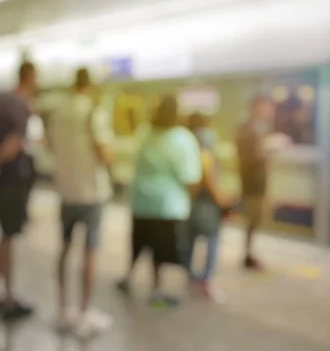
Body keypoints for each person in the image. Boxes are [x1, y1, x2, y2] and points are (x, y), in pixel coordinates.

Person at [117, 96, 202, 307]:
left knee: (138, 244)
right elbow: (190, 176)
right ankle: (157, 289)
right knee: (161, 251)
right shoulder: (183, 138)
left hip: (141, 202)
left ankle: (129, 278)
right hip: (168, 206)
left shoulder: (145, 133)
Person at [48, 68, 114, 337]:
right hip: (92, 193)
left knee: (64, 249)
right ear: (90, 85)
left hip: (66, 191)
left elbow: (52, 146)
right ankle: (86, 311)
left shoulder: (58, 113)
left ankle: (64, 308)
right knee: (90, 251)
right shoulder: (93, 112)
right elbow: (104, 152)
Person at [0, 61, 37, 320]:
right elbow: (14, 143)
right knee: (8, 237)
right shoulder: (19, 106)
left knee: (3, 235)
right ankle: (8, 296)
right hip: (13, 179)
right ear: (30, 77)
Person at [236, 96, 291, 270]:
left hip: (257, 181)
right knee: (252, 218)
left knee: (256, 219)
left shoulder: (258, 127)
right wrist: (270, 148)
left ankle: (250, 254)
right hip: (252, 182)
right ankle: (248, 255)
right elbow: (251, 156)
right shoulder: (248, 128)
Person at [186, 113, 231, 303]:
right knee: (212, 240)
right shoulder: (205, 151)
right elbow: (209, 180)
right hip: (205, 205)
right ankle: (206, 279)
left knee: (191, 240)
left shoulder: (187, 147)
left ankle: (191, 274)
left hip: (191, 204)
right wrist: (222, 200)